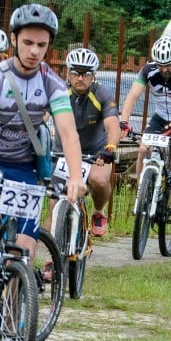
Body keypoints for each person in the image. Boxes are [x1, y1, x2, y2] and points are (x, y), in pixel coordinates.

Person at [0, 4, 86, 289]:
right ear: (13, 40)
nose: (34, 51)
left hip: (23, 168)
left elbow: (68, 133)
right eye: (27, 43)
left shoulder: (53, 84)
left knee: (22, 250)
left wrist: (74, 177)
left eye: (41, 45)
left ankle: (13, 326)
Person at [119, 37, 171, 227]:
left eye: (168, 65)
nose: (164, 70)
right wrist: (123, 121)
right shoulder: (147, 70)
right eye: (161, 65)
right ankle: (142, 193)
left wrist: (170, 129)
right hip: (160, 118)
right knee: (143, 149)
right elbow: (132, 96)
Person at [60, 47, 121, 236]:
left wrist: (110, 148)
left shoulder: (102, 93)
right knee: (55, 203)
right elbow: (43, 117)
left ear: (93, 75)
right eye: (75, 73)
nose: (80, 78)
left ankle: (98, 212)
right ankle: (51, 257)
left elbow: (112, 124)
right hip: (62, 151)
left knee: (99, 180)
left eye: (86, 74)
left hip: (95, 151)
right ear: (67, 73)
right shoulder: (59, 92)